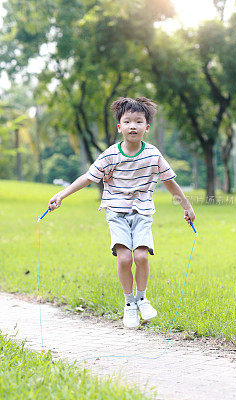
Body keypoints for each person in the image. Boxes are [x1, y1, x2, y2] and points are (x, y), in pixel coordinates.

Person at [48, 97, 195, 329]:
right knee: (125, 258)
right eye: (127, 121)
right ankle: (129, 305)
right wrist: (62, 195)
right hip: (116, 213)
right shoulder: (110, 155)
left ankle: (142, 298)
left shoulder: (153, 155)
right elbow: (88, 178)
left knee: (141, 257)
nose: (133, 126)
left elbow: (170, 183)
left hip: (142, 213)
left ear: (147, 127)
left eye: (139, 121)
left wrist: (187, 207)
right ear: (120, 127)